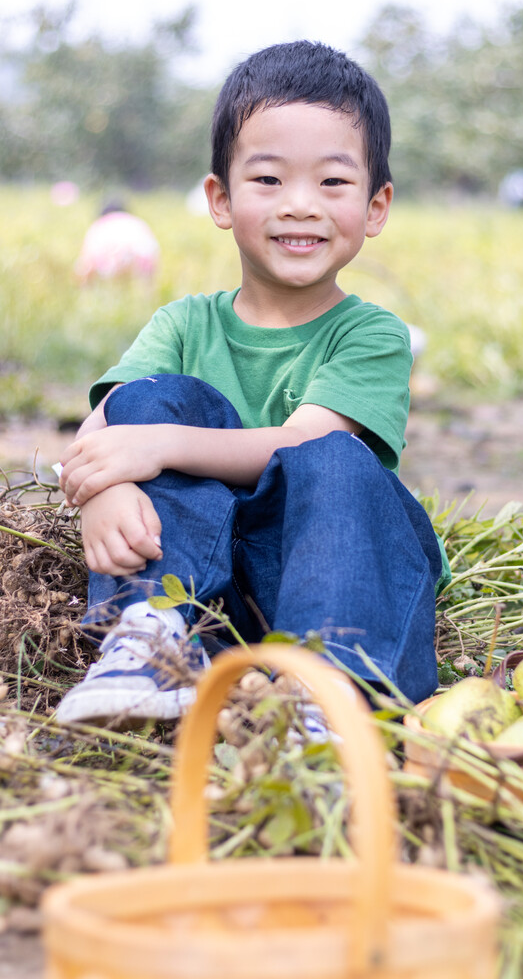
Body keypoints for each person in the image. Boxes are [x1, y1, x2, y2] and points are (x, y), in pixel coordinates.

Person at [55, 40, 448, 728]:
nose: (300, 205)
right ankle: (152, 641)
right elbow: (99, 435)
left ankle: (326, 693)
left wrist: (156, 448)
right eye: (267, 181)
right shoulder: (182, 323)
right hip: (204, 576)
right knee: (145, 403)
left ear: (376, 206)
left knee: (329, 459)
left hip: (334, 570)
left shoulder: (371, 334)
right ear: (221, 199)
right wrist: (106, 489)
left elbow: (303, 442)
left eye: (332, 183)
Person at [75, 201, 160, 282]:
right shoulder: (138, 223)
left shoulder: (99, 226)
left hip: (109, 266)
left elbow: (85, 266)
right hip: (139, 264)